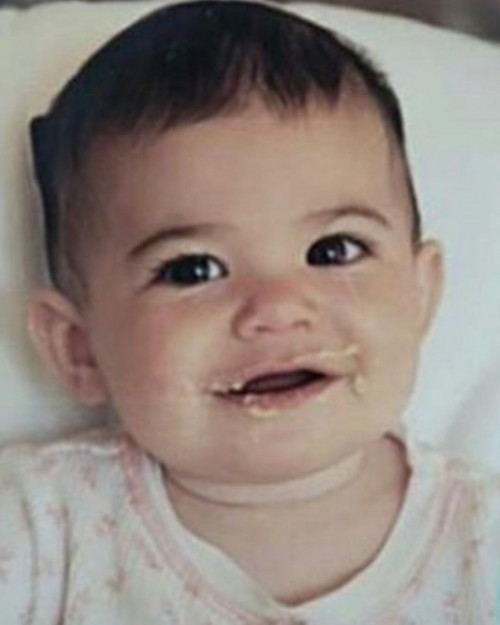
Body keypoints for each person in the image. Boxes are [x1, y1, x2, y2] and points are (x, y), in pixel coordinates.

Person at [1, 1, 499, 622]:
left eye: (333, 250)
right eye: (193, 269)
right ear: (79, 349)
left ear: (419, 293)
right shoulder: (39, 530)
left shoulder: (482, 543)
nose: (277, 308)